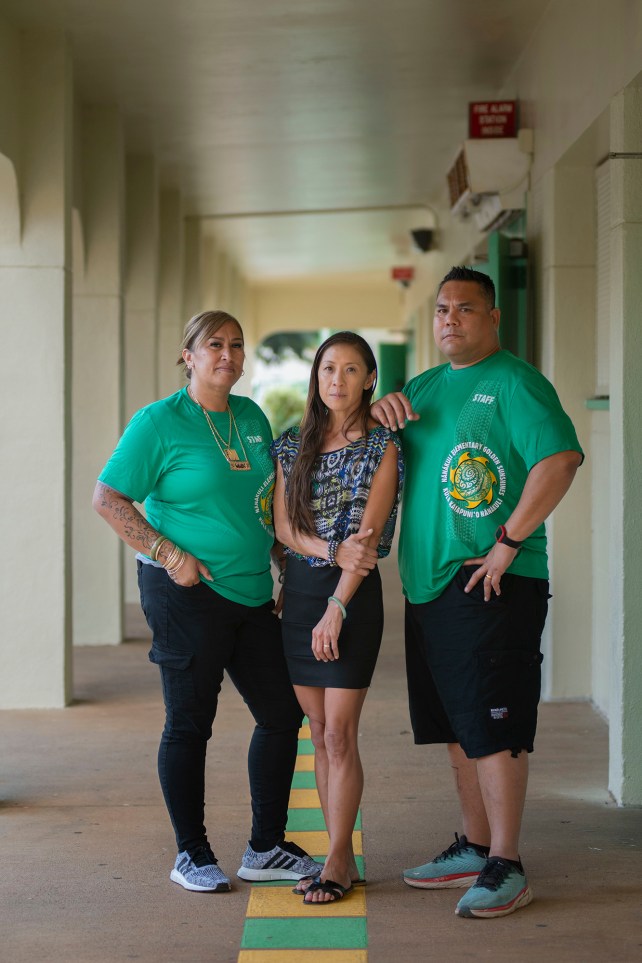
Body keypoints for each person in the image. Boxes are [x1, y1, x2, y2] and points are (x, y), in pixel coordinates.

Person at [93, 310, 331, 894]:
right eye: (214, 345)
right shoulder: (159, 423)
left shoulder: (249, 417)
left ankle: (265, 847)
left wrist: (280, 569)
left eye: (236, 345)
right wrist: (170, 555)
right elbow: (108, 498)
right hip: (186, 594)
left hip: (251, 595)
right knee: (190, 723)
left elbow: (262, 507)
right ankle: (191, 854)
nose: (228, 354)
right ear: (189, 355)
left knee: (281, 712)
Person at [371, 266, 583, 919]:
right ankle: (475, 843)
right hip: (430, 583)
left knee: (495, 725)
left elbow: (560, 459)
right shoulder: (425, 387)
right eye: (441, 309)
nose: (449, 319)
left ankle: (507, 862)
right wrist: (380, 413)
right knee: (457, 726)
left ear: (493, 317)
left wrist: (509, 541)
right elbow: (380, 453)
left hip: (491, 579)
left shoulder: (517, 383)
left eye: (465, 308)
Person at [272, 332, 403, 904]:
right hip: (299, 593)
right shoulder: (289, 446)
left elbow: (368, 541)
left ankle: (335, 861)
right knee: (318, 734)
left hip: (350, 598)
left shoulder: (384, 448)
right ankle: (338, 855)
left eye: (352, 370)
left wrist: (337, 605)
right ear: (316, 376)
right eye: (329, 368)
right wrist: (326, 555)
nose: (338, 380)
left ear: (369, 379)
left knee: (341, 734)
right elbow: (284, 528)